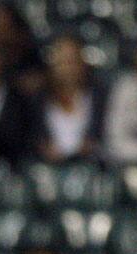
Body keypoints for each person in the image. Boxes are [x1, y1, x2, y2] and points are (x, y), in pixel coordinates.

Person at [33, 35, 105, 163]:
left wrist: (90, 145)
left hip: (91, 165)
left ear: (83, 63)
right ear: (53, 64)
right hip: (47, 168)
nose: (68, 68)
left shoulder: (99, 97)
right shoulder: (37, 99)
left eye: (72, 61)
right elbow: (33, 137)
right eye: (63, 61)